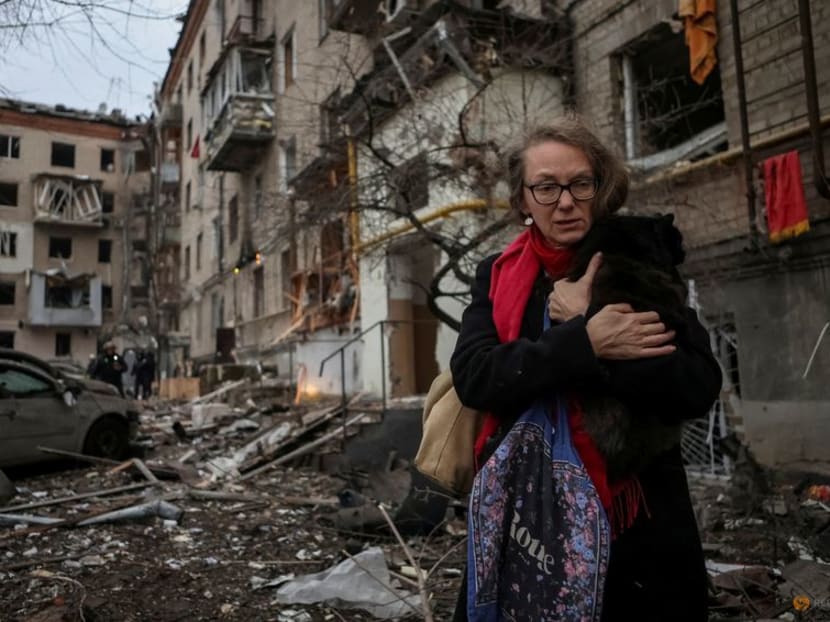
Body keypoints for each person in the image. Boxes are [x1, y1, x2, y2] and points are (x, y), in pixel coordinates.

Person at [449, 118, 722, 621]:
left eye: (580, 183)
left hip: (637, 524)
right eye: (547, 187)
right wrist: (583, 341)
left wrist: (598, 339)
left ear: (602, 188)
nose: (566, 201)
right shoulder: (499, 273)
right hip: (524, 514)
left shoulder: (638, 257)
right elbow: (476, 376)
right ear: (523, 200)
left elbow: (698, 384)